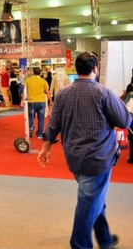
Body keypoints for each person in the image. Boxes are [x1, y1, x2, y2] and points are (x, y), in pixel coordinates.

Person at [38, 52, 132, 249]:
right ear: (95, 68)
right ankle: (80, 244)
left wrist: (45, 147)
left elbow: (53, 124)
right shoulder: (103, 93)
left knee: (94, 197)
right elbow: (124, 121)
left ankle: (105, 238)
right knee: (88, 203)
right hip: (99, 158)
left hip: (73, 157)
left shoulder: (63, 93)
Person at [21, 67, 53, 139]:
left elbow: (24, 91)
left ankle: (31, 128)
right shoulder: (43, 81)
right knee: (41, 118)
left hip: (31, 101)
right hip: (41, 101)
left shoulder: (28, 80)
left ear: (33, 72)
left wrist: (22, 100)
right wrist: (51, 101)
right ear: (40, 73)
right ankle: (40, 134)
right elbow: (47, 92)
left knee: (31, 117)